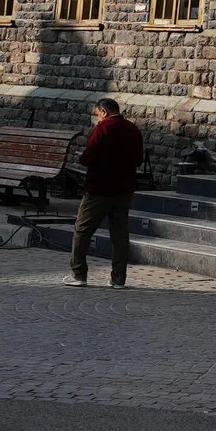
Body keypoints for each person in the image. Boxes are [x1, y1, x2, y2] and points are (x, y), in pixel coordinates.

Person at [68, 97, 146, 288]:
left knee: (82, 230)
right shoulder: (132, 129)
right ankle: (118, 279)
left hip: (100, 188)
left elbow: (89, 157)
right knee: (119, 235)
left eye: (97, 115)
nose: (97, 119)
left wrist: (82, 157)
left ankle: (79, 275)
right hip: (124, 189)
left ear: (103, 111)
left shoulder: (102, 129)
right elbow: (137, 159)